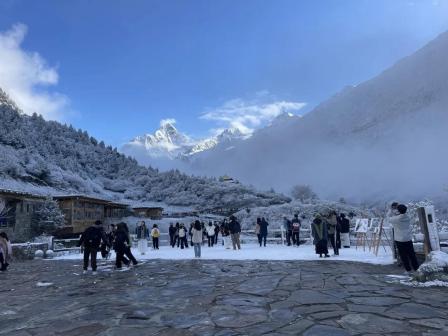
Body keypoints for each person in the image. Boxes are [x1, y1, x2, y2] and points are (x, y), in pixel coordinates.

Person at [389, 204, 419, 274]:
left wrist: (391, 210)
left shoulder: (396, 219)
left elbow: (389, 218)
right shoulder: (408, 217)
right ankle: (416, 268)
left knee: (403, 255)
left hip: (399, 240)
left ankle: (408, 270)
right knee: (412, 254)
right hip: (408, 239)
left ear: (398, 211)